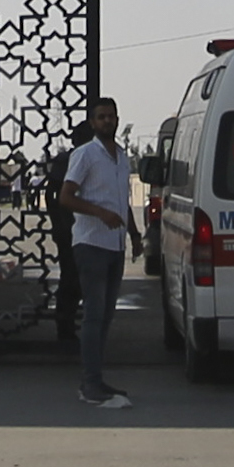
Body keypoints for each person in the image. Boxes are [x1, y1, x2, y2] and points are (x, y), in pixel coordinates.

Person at [58, 97, 136, 410]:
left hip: (115, 245)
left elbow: (121, 199)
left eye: (111, 116)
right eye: (101, 117)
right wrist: (99, 213)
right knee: (93, 313)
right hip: (91, 244)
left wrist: (134, 234)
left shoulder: (122, 157)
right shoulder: (85, 154)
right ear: (92, 122)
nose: (107, 121)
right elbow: (66, 196)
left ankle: (95, 378)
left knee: (105, 316)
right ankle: (90, 382)